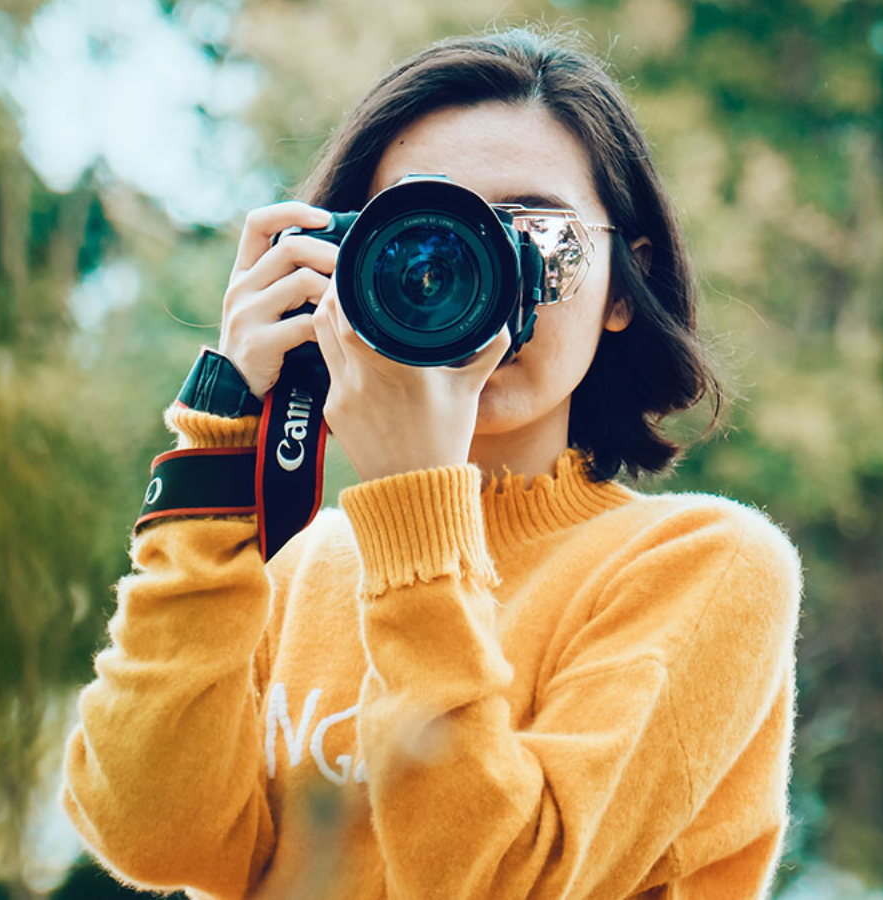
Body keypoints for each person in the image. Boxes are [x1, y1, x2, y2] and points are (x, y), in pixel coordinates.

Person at [61, 26, 802, 900]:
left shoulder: (705, 567)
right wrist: (221, 440)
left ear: (621, 287)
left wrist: (416, 512)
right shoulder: (296, 568)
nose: (478, 275)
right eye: (421, 237)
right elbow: (152, 835)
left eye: (535, 233)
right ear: (339, 266)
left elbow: (500, 882)